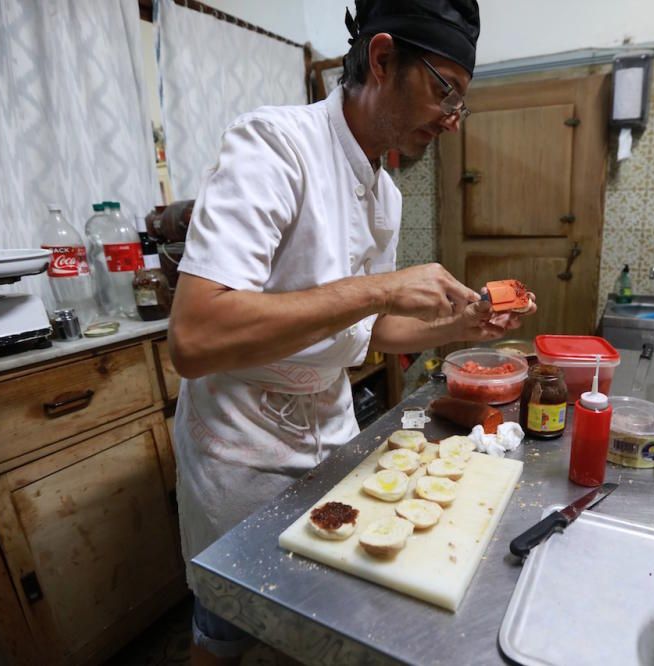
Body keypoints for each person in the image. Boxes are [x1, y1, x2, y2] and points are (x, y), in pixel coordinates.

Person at [167, 1, 535, 663]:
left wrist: (456, 323)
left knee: (323, 620)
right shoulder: (275, 145)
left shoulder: (383, 191)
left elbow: (366, 331)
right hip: (243, 451)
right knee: (228, 629)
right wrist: (384, 286)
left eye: (461, 102)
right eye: (443, 90)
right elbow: (195, 337)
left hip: (332, 443)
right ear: (383, 59)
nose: (452, 120)